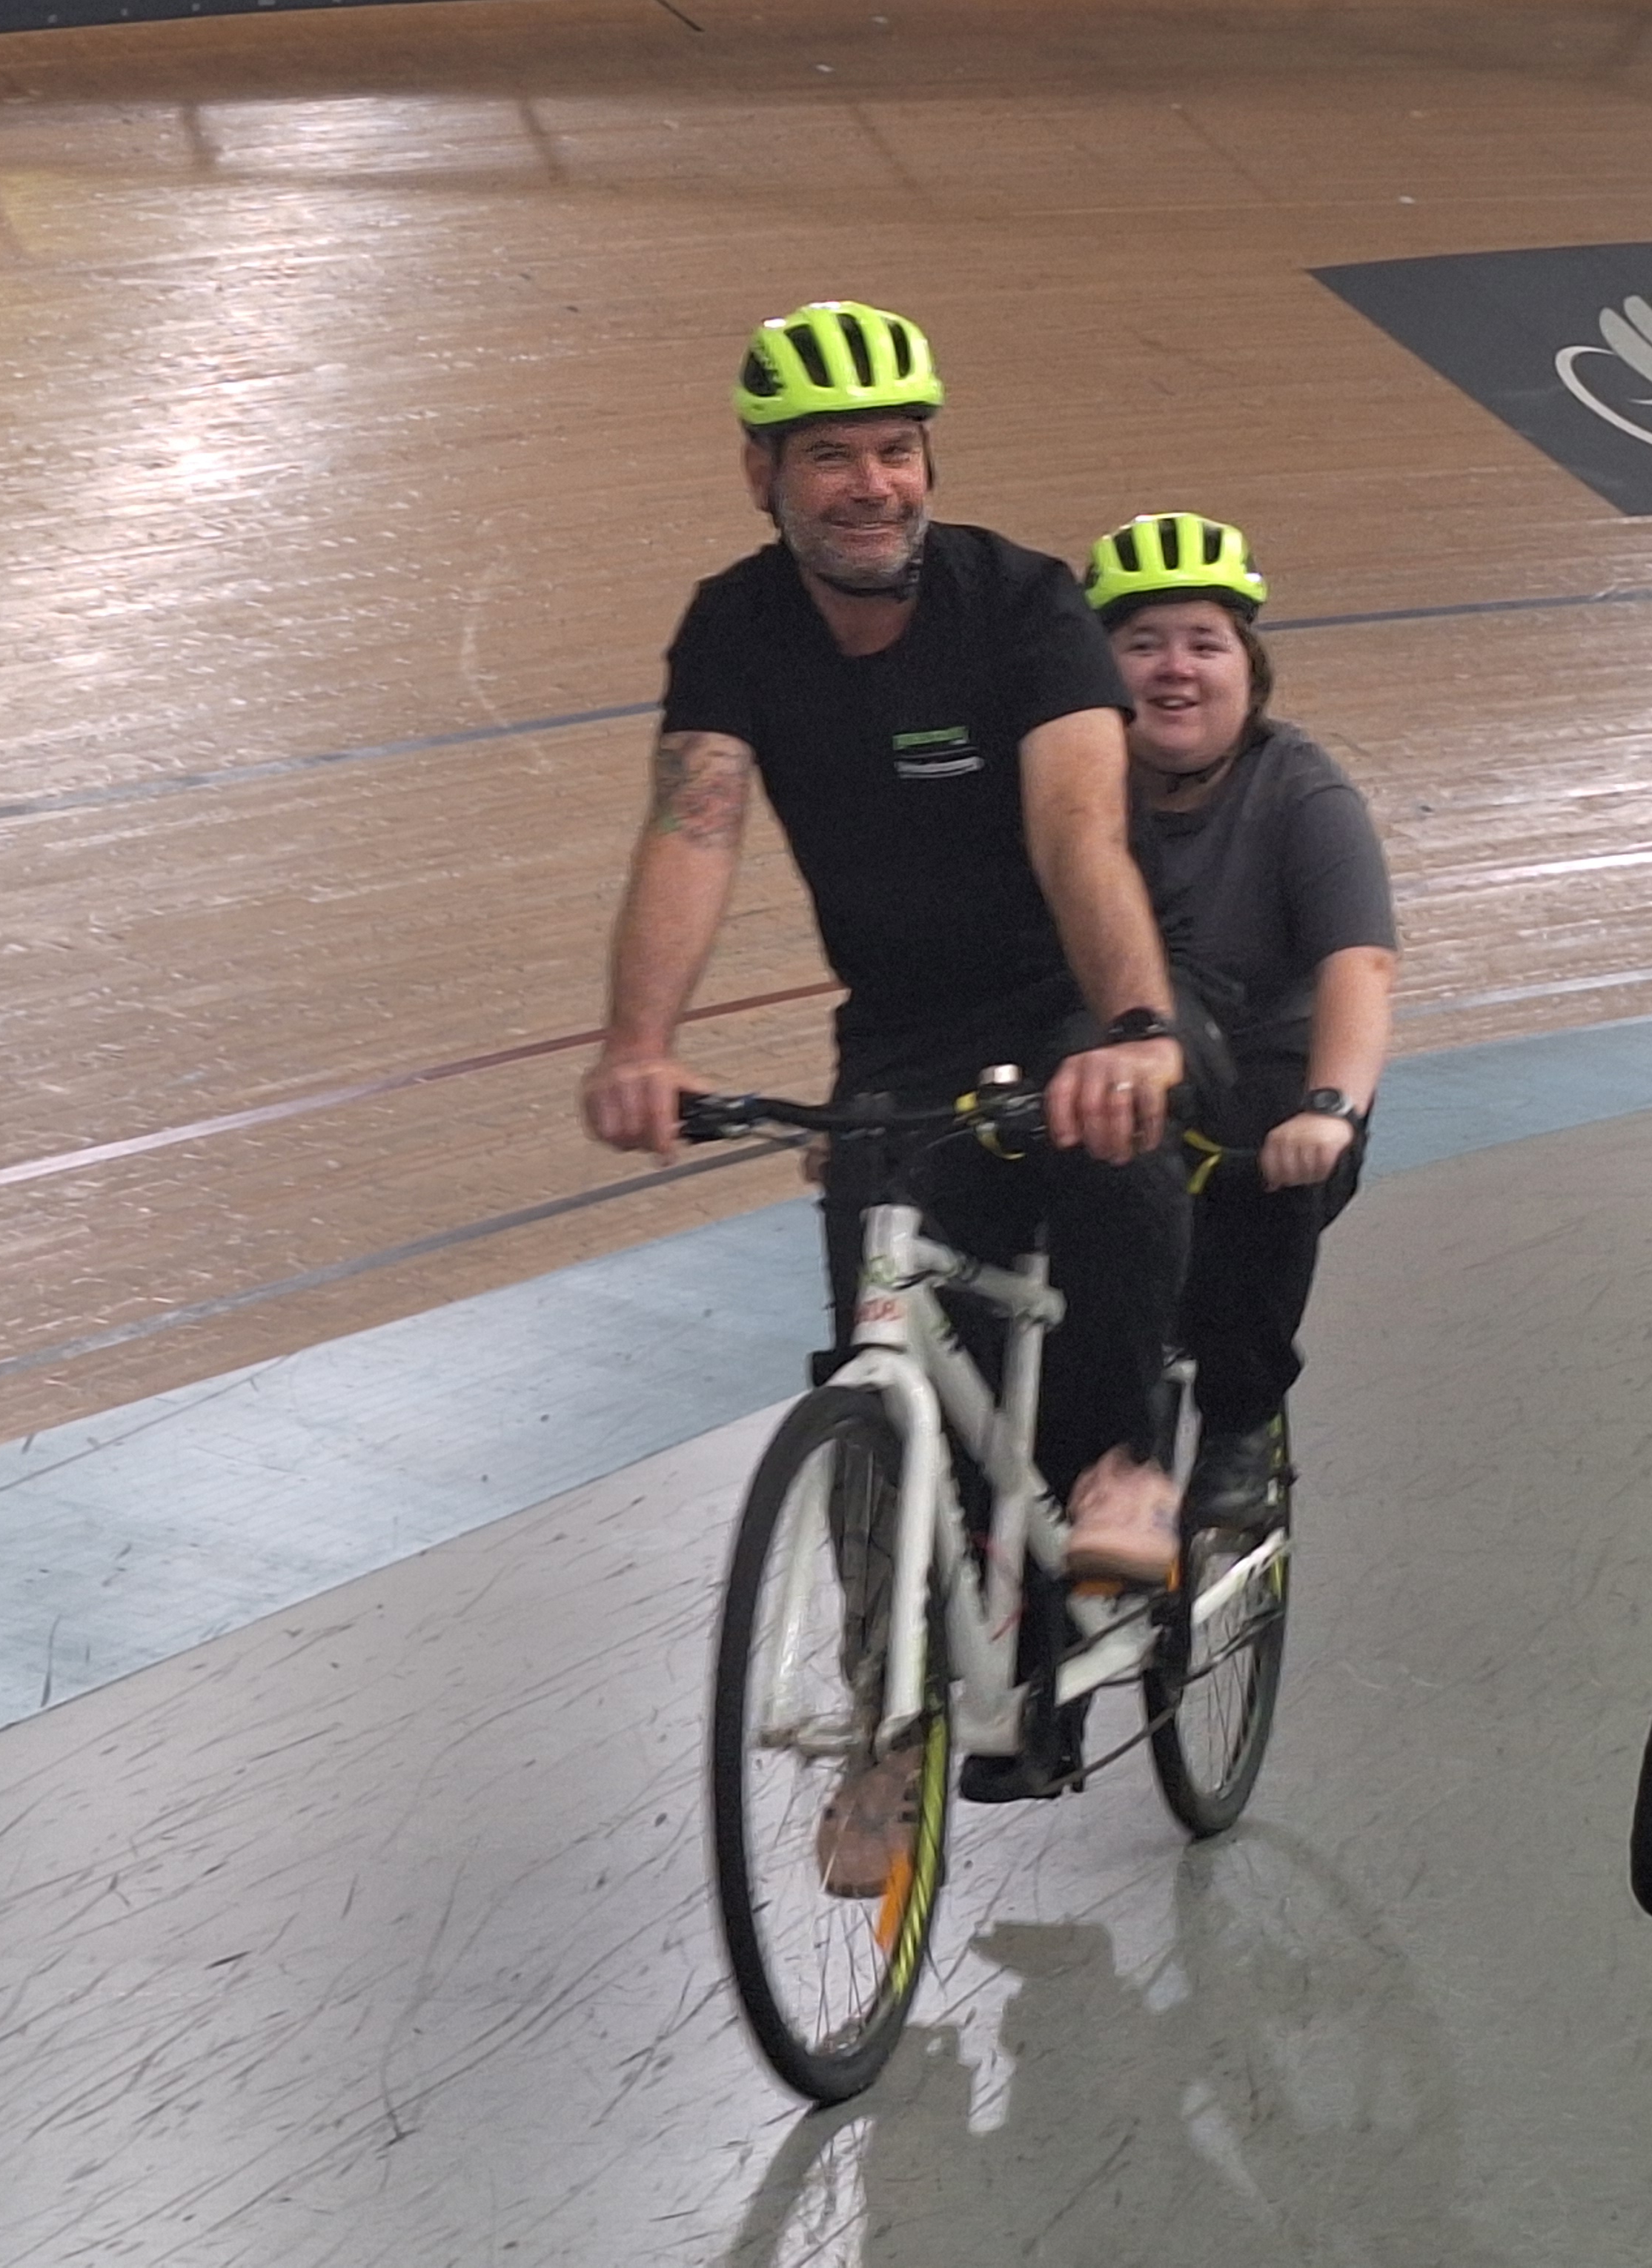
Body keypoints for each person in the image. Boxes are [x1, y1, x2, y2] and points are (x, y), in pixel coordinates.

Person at [580, 302, 1198, 1864]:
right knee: (878, 1352)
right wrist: (640, 1040)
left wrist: (1131, 1020)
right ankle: (889, 1717)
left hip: (1068, 996)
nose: (872, 483)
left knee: (1114, 1165)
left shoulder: (1025, 605)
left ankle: (1124, 1464)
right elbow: (694, 828)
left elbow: (1081, 836)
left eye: (896, 450)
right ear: (762, 478)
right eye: (832, 457)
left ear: (930, 464)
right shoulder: (734, 624)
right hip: (903, 1035)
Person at [1084, 511, 1399, 1528]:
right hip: (1120, 1089)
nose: (1174, 670)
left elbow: (1360, 964)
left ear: (1247, 669)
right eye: (1143, 644)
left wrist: (1330, 1109)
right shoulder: (1070, 783)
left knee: (1263, 1151)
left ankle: (1240, 1421)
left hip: (1265, 1097)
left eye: (1203, 643)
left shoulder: (1303, 792)